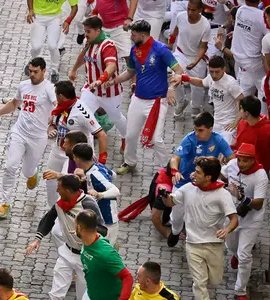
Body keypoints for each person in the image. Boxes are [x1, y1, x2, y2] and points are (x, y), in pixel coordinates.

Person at [160, 157, 238, 300]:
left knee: (215, 280)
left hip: (214, 245)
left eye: (197, 172)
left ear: (209, 177)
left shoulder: (222, 195)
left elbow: (233, 219)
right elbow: (171, 202)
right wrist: (164, 195)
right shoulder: (187, 189)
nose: (192, 174)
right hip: (192, 244)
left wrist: (227, 230)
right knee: (199, 284)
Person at [0, 57, 56, 219]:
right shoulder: (23, 86)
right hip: (19, 132)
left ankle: (33, 172)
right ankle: (5, 203)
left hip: (38, 137)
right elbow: (13, 104)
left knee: (26, 172)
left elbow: (58, 107)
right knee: (10, 166)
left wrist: (52, 125)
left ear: (44, 71)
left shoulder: (49, 89)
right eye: (30, 71)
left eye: (35, 72)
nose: (32, 75)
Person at [112, 20, 184, 176]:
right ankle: (130, 162)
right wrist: (115, 80)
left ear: (143, 35)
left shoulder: (161, 50)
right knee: (130, 135)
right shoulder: (134, 50)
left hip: (157, 101)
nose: (131, 36)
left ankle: (168, 169)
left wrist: (172, 87)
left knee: (156, 139)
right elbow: (131, 72)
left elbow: (179, 70)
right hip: (138, 99)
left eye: (133, 34)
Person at [26, 176, 107, 300]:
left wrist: (84, 232)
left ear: (68, 190)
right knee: (55, 293)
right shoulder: (60, 204)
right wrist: (37, 240)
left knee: (84, 297)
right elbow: (49, 218)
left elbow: (103, 230)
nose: (57, 191)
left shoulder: (88, 204)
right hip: (67, 252)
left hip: (85, 255)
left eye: (59, 189)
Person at [167, 112, 234, 247]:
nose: (197, 133)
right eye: (195, 129)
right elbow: (175, 157)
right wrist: (175, 171)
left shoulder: (218, 140)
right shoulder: (189, 139)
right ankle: (175, 231)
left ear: (210, 129)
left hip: (205, 184)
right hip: (184, 182)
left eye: (201, 130)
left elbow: (233, 159)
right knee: (177, 216)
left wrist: (227, 168)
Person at [69, 16, 127, 153]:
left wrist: (101, 80)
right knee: (80, 116)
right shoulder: (88, 41)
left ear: (97, 31)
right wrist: (74, 69)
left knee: (117, 118)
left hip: (109, 92)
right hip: (90, 89)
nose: (85, 34)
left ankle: (125, 139)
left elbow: (111, 66)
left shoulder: (108, 45)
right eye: (85, 31)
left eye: (88, 31)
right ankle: (86, 148)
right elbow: (83, 56)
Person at [220, 144, 268, 300]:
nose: (240, 163)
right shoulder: (233, 164)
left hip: (251, 220)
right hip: (233, 214)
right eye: (239, 159)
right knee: (231, 245)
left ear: (253, 160)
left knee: (245, 254)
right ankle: (236, 255)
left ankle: (240, 291)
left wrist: (242, 198)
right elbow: (222, 175)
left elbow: (259, 204)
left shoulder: (260, 176)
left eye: (245, 161)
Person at [173, 56, 243, 144]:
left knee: (225, 151)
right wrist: (185, 78)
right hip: (216, 122)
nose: (214, 75)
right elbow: (202, 82)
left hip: (229, 125)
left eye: (217, 72)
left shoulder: (231, 83)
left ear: (224, 69)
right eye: (211, 71)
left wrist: (236, 122)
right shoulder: (211, 78)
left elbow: (241, 101)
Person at [168, 0, 211, 117]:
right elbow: (175, 32)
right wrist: (170, 44)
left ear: (200, 10)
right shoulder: (181, 16)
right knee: (175, 76)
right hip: (180, 53)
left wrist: (195, 62)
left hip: (196, 58)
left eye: (193, 10)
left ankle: (196, 107)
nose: (189, 12)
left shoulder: (205, 25)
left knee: (197, 87)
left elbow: (203, 47)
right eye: (188, 9)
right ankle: (181, 102)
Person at [49, 80, 107, 164]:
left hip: (77, 157)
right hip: (58, 151)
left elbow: (102, 135)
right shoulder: (60, 106)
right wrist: (51, 128)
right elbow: (53, 123)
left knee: (67, 176)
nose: (55, 97)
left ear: (61, 96)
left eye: (56, 94)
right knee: (49, 176)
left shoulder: (82, 113)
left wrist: (102, 162)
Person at [73, 143, 120, 244]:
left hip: (107, 218)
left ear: (77, 159)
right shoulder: (97, 167)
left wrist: (100, 194)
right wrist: (85, 178)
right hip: (103, 216)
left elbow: (116, 191)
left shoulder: (95, 174)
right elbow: (113, 175)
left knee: (105, 251)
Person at [27, 0, 78, 83]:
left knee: (53, 46)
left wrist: (68, 21)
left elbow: (75, 7)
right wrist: (31, 10)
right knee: (36, 46)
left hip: (55, 17)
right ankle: (32, 62)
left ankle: (54, 70)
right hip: (38, 16)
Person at [231, 0, 267, 113]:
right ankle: (262, 120)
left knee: (244, 94)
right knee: (263, 92)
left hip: (240, 60)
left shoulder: (240, 11)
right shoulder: (262, 17)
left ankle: (240, 121)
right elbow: (269, 37)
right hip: (254, 62)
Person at [43, 131, 88, 205]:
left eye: (66, 143)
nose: (63, 146)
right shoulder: (72, 158)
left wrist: (58, 175)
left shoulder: (82, 162)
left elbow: (77, 179)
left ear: (73, 146)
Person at [234, 95, 270, 172]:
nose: (239, 111)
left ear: (247, 113)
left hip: (258, 171)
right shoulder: (242, 124)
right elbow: (237, 143)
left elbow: (266, 156)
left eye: (241, 109)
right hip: (239, 164)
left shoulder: (268, 131)